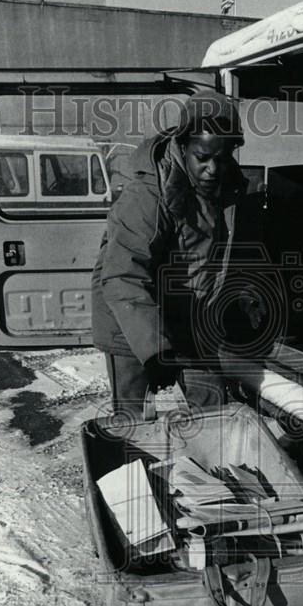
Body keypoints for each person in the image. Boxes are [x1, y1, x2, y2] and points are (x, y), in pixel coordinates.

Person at [91, 91, 250, 416]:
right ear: (183, 145)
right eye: (202, 157)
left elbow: (210, 263)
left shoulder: (227, 191)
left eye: (221, 158)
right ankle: (140, 465)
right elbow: (122, 276)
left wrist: (235, 303)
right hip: (131, 324)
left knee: (211, 405)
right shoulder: (147, 197)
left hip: (185, 319)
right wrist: (153, 353)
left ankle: (206, 466)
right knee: (137, 424)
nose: (212, 169)